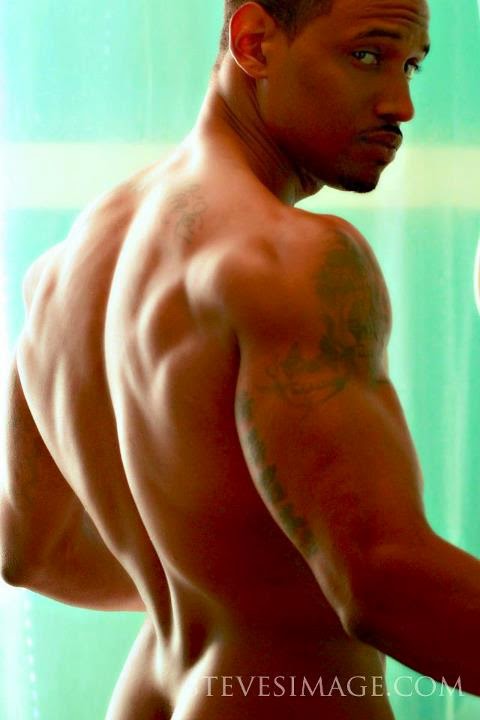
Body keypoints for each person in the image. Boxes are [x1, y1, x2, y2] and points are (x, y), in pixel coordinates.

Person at [1, 0, 479, 718]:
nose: (401, 103)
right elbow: (386, 585)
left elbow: (33, 552)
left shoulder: (61, 271)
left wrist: (231, 589)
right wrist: (274, 608)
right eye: (366, 56)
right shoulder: (287, 258)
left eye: (410, 66)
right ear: (254, 42)